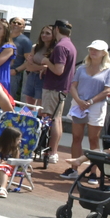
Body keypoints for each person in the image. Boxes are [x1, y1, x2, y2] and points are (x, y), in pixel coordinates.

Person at [60, 40, 110, 178]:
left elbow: (107, 90)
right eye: (91, 49)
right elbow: (73, 86)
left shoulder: (109, 70)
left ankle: (93, 172)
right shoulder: (82, 68)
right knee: (77, 137)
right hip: (78, 105)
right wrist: (79, 101)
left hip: (96, 106)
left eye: (97, 50)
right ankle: (74, 169)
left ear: (104, 53)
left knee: (93, 139)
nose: (93, 52)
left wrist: (90, 101)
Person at [38, 20, 78, 166]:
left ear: (56, 29)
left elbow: (59, 70)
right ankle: (53, 151)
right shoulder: (70, 45)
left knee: (52, 119)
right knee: (58, 119)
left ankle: (52, 152)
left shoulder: (61, 46)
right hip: (61, 88)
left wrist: (46, 62)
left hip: (54, 88)